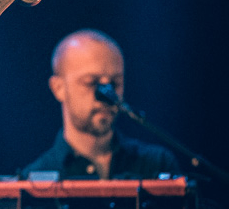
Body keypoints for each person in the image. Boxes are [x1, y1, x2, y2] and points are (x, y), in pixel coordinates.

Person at [21, 29, 179, 180]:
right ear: (58, 88)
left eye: (115, 83)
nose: (107, 96)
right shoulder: (33, 182)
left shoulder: (158, 164)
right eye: (91, 82)